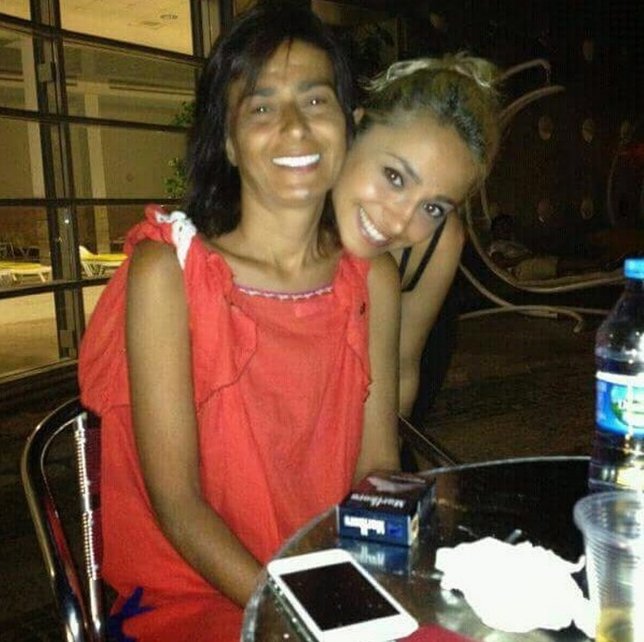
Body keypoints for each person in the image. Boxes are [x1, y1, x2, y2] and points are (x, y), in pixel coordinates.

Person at [78, 4, 400, 641]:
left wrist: (381, 574)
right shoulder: (168, 274)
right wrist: (298, 617)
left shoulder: (372, 278)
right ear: (226, 141)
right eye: (260, 107)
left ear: (350, 124)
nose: (294, 127)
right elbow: (177, 503)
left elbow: (377, 461)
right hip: (194, 596)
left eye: (315, 100)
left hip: (327, 578)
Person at [333, 54, 502, 424]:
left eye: (432, 207)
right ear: (353, 130)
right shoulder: (288, 207)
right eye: (394, 177)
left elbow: (401, 369)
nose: (399, 221)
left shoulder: (438, 241)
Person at [488, 213, 612, 280]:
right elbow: (500, 263)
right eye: (501, 226)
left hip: (531, 261)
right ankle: (599, 263)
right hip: (522, 268)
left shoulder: (515, 242)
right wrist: (527, 257)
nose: (505, 228)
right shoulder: (496, 245)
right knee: (561, 264)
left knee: (563, 264)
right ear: (494, 231)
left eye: (507, 225)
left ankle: (596, 268)